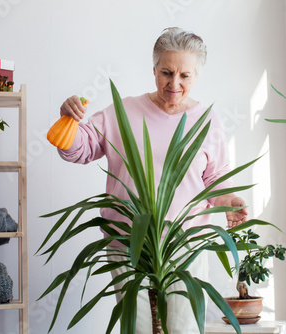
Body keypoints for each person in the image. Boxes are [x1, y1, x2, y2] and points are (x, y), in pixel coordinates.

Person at [57, 27, 247, 333]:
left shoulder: (208, 121)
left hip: (185, 244)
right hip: (129, 241)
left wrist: (230, 202)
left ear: (197, 75)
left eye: (185, 75)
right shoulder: (124, 111)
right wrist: (68, 122)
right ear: (154, 70)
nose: (175, 83)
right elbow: (80, 148)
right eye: (166, 72)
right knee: (139, 329)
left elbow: (215, 178)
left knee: (183, 328)